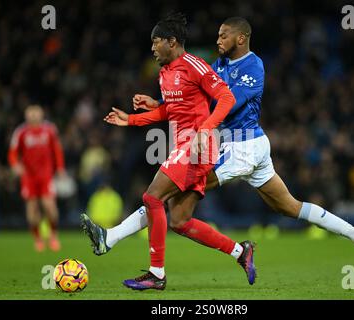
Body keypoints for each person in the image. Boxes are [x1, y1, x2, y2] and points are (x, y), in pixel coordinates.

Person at [85, 16, 354, 268]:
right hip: (243, 146)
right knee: (291, 207)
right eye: (217, 35)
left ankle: (111, 238)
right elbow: (196, 93)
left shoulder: (254, 66)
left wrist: (201, 124)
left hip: (243, 146)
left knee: (167, 193)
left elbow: (228, 102)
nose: (218, 39)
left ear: (241, 37)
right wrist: (160, 103)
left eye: (223, 35)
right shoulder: (220, 64)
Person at [81, 13, 256, 291]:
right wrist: (132, 119)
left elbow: (226, 97)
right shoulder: (165, 73)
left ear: (171, 42)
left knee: (152, 197)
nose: (152, 48)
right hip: (184, 145)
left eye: (156, 42)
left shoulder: (194, 65)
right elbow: (169, 110)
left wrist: (204, 130)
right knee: (180, 221)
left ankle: (155, 272)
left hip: (198, 145)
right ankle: (240, 251)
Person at [8, 104, 66, 252]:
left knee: (50, 207)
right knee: (32, 209)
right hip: (28, 176)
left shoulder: (50, 130)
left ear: (41, 114)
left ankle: (53, 236)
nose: (33, 116)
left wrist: (60, 168)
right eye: (31, 113)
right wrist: (15, 165)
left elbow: (57, 149)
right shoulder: (21, 132)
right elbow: (13, 152)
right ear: (26, 116)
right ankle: (38, 238)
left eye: (36, 113)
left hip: (46, 175)